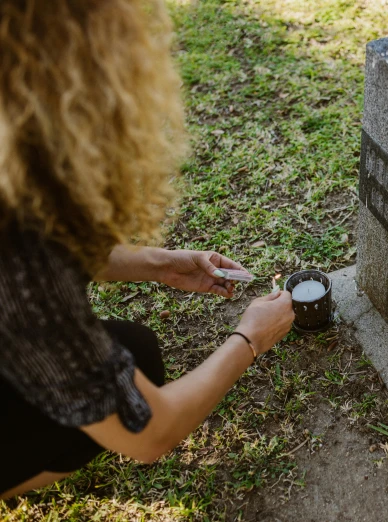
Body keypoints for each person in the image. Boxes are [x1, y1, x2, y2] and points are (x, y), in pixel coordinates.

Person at [0, 0, 295, 499]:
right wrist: (250, 340)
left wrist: (159, 263)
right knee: (130, 381)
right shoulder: (21, 258)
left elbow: (46, 248)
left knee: (133, 350)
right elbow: (150, 434)